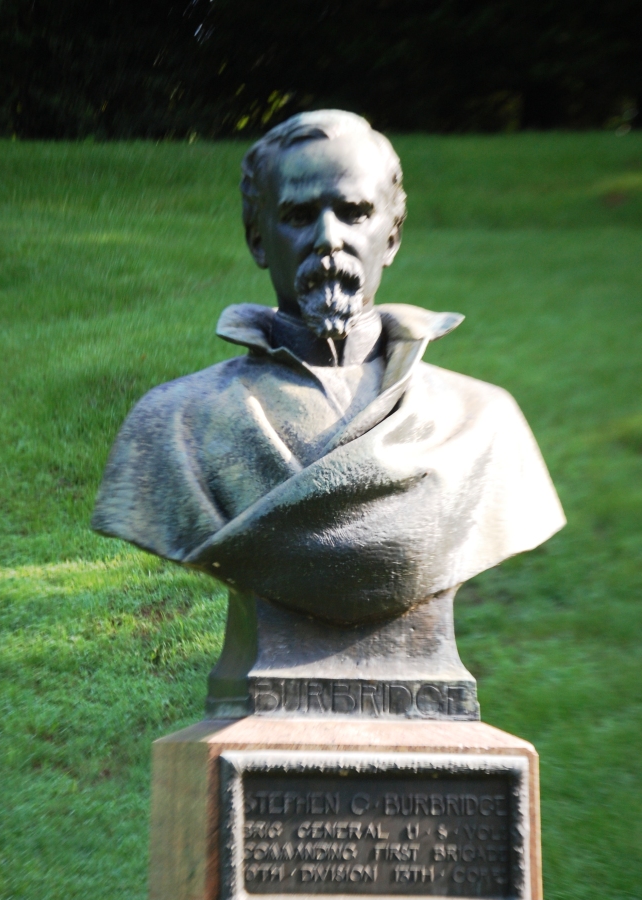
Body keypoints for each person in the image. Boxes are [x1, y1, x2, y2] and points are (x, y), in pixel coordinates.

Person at [92, 109, 565, 632]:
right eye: (297, 216)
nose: (328, 239)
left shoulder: (482, 422)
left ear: (392, 235)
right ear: (256, 238)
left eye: (354, 212)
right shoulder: (174, 424)